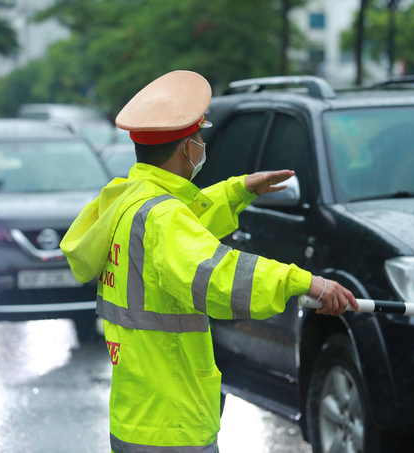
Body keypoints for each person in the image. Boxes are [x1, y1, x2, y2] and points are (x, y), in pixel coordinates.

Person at [60, 70, 359, 453]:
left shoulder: (128, 201)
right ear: (187, 148)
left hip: (138, 413)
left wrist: (238, 190)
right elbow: (220, 277)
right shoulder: (161, 218)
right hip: (173, 422)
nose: (203, 143)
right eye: (199, 137)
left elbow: (182, 234)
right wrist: (306, 282)